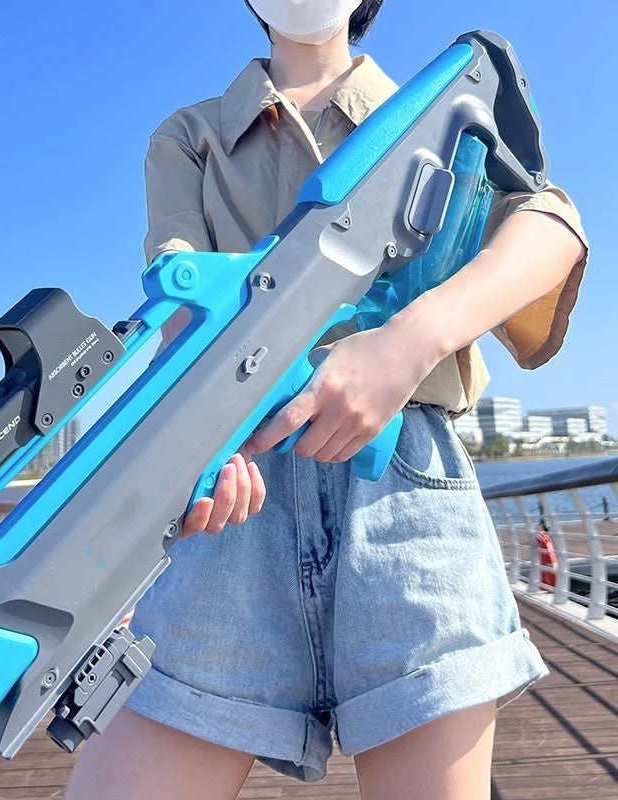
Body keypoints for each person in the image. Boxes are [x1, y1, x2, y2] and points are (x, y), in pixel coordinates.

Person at [65, 2, 588, 798]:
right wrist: (202, 429)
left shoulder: (441, 111)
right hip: (239, 482)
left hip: (405, 484)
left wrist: (409, 342)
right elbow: (180, 302)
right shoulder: (189, 134)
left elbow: (551, 224)